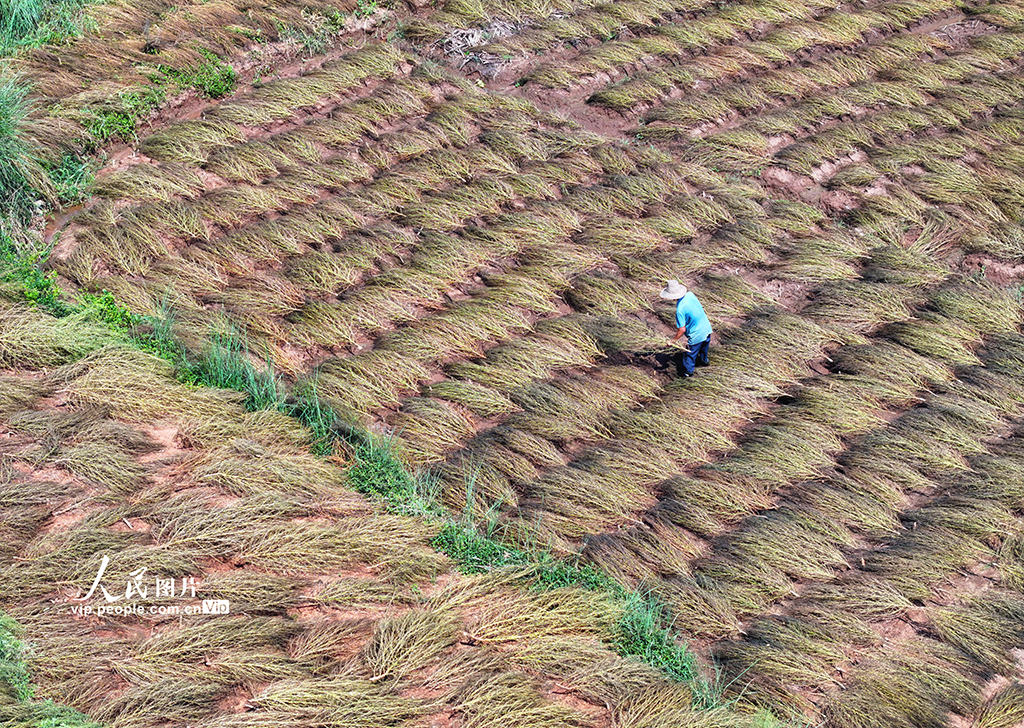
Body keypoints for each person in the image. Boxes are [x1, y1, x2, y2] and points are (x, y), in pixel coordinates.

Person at [660, 279, 712, 378]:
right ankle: (705, 362)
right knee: (704, 349)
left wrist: (672, 341)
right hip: (707, 328)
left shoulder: (680, 309)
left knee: (689, 357)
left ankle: (688, 374)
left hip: (696, 335)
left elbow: (682, 329)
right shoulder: (690, 295)